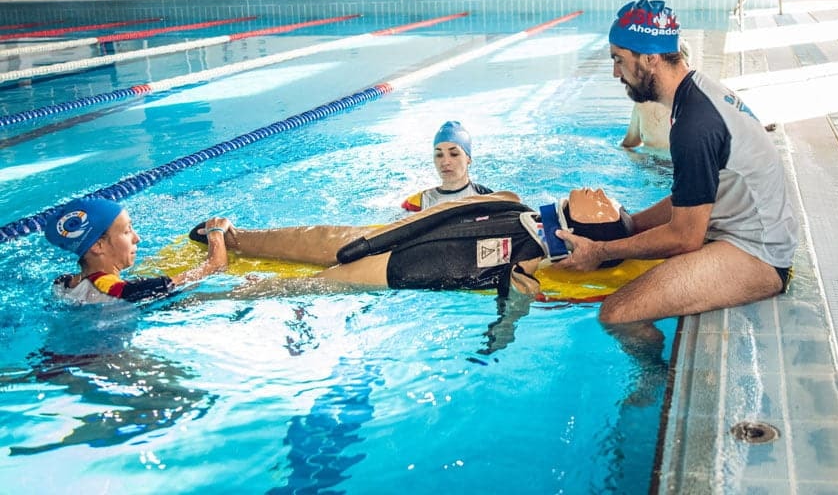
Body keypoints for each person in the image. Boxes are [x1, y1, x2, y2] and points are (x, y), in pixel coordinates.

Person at [553, 0, 799, 325]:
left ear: (650, 58)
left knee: (617, 313)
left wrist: (601, 252)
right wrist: (631, 225)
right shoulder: (694, 93)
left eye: (619, 60)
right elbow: (691, 197)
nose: (615, 72)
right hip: (749, 231)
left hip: (759, 254)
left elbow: (685, 237)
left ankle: (649, 377)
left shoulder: (693, 125)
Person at [190, 188, 632, 298]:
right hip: (394, 235)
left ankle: (199, 298)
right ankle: (233, 239)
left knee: (306, 286)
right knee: (324, 236)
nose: (601, 193)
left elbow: (522, 297)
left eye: (607, 206)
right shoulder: (517, 205)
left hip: (406, 265)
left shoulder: (536, 264)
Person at [45, 197, 234, 304]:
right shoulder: (124, 292)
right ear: (97, 246)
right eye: (127, 231)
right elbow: (215, 267)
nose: (137, 238)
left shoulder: (63, 284)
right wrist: (216, 232)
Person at [401, 120, 493, 212]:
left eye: (454, 154)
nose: (445, 162)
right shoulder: (416, 204)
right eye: (439, 155)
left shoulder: (488, 198)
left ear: (468, 159)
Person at [620, 38, 690, 150]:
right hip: (647, 165)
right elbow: (627, 145)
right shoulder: (643, 103)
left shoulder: (697, 105)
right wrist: (638, 160)